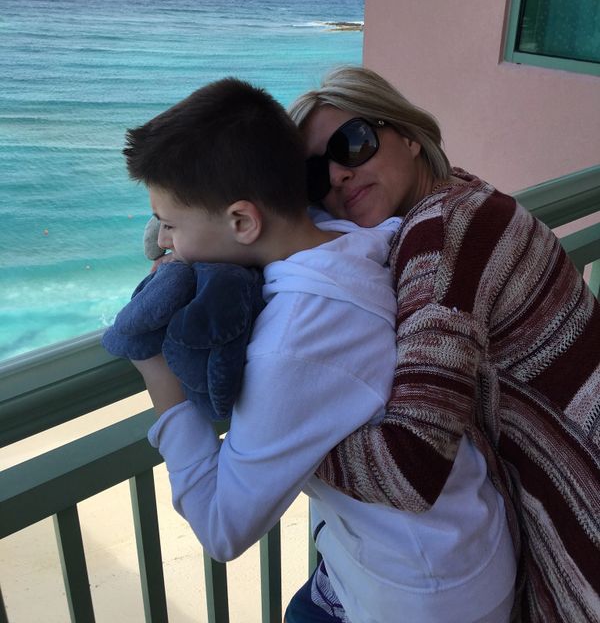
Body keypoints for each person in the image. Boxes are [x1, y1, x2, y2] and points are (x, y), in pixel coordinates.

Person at [123, 76, 517, 623]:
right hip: (453, 545)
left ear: (243, 220)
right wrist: (193, 238)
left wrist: (156, 369)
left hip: (423, 596)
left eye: (168, 226)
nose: (163, 242)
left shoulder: (291, 347)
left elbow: (222, 528)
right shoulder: (359, 237)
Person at [287, 65, 600, 623]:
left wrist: (272, 454)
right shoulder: (462, 193)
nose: (336, 175)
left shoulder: (441, 240)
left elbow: (412, 466)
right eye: (314, 175)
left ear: (407, 134)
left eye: (353, 144)